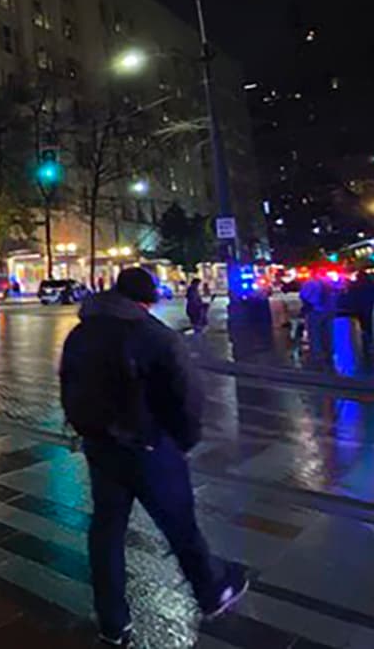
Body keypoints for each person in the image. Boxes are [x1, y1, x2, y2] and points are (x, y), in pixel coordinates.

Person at [60, 267, 246, 645]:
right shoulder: (154, 335)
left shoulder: (80, 333)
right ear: (146, 300)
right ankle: (212, 591)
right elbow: (187, 394)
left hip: (100, 446)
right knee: (180, 526)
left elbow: (67, 382)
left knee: (106, 532)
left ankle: (112, 621)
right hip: (149, 446)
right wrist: (184, 439)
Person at [299, 273, 339, 369]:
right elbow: (337, 293)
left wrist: (308, 306)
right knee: (328, 332)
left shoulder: (310, 283)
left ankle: (318, 354)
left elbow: (303, 296)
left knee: (315, 333)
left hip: (316, 311)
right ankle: (328, 352)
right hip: (327, 311)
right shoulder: (330, 283)